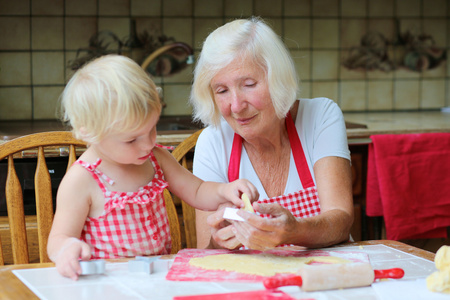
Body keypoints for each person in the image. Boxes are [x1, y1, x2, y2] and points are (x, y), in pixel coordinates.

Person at [47, 54, 258, 280]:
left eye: (152, 129)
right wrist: (67, 249)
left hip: (155, 279)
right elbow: (58, 239)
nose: (148, 143)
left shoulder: (154, 158)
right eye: (131, 140)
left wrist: (224, 190)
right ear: (90, 132)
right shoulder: (82, 179)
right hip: (106, 284)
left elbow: (196, 191)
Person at [190, 17, 354, 251]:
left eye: (248, 84)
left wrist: (294, 231)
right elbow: (206, 253)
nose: (236, 106)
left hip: (325, 278)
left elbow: (341, 221)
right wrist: (218, 241)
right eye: (222, 90)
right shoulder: (213, 142)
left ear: (277, 78)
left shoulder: (320, 116)